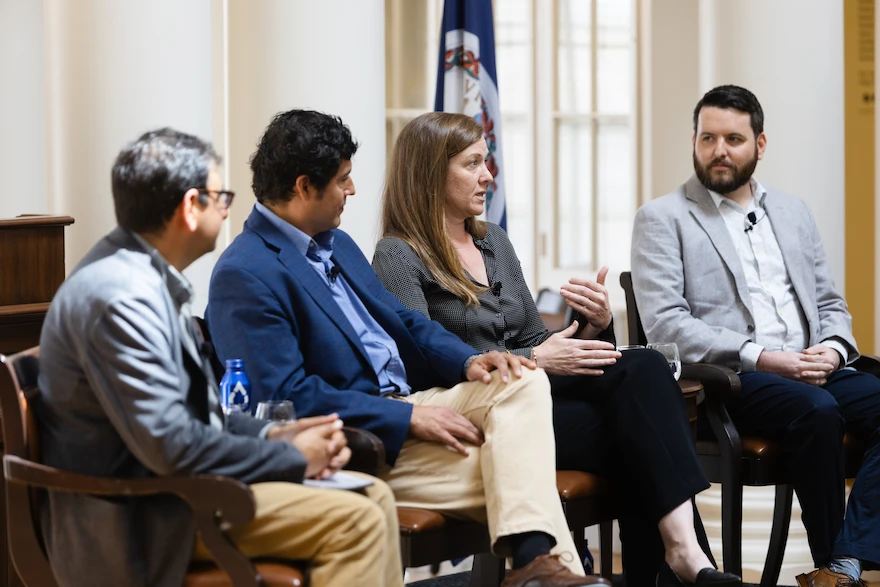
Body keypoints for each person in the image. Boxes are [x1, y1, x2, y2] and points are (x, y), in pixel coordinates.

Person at [207, 110, 609, 587]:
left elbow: (405, 323)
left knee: (519, 378)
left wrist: (468, 359)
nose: (352, 191)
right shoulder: (245, 272)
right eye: (343, 180)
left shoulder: (337, 245)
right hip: (365, 438)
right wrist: (407, 418)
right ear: (302, 187)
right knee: (522, 464)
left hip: (416, 401)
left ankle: (534, 570)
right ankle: (541, 568)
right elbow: (283, 397)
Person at [371, 111, 740, 587]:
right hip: (484, 414)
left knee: (645, 366)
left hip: (535, 393)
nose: (488, 175)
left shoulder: (493, 242)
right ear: (428, 172)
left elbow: (530, 339)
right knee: (635, 430)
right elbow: (420, 364)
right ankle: (682, 565)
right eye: (472, 164)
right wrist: (534, 360)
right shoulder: (398, 253)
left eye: (487, 161)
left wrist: (591, 325)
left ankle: (683, 555)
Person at [36, 128, 402, 587]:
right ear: (191, 207)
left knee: (374, 496)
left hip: (178, 494)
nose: (229, 206)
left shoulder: (142, 279)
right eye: (219, 195)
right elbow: (171, 444)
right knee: (357, 519)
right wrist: (289, 454)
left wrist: (274, 430)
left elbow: (197, 417)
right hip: (141, 517)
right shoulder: (120, 297)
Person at [631, 84, 880, 587]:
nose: (719, 150)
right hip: (734, 380)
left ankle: (844, 564)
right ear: (694, 141)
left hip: (816, 368)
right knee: (818, 412)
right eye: (707, 138)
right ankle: (837, 563)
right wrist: (766, 357)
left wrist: (831, 352)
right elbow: (667, 324)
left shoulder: (793, 212)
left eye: (733, 138)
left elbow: (830, 303)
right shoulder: (663, 218)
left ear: (759, 145)